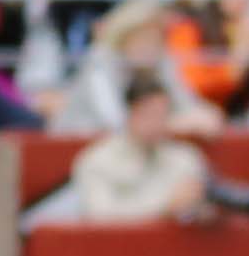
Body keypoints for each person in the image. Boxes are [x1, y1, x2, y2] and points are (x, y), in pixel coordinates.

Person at [74, 72, 212, 219]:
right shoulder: (97, 161)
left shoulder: (185, 158)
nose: (156, 123)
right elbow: (100, 216)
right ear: (130, 114)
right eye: (148, 114)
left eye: (162, 115)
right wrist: (165, 207)